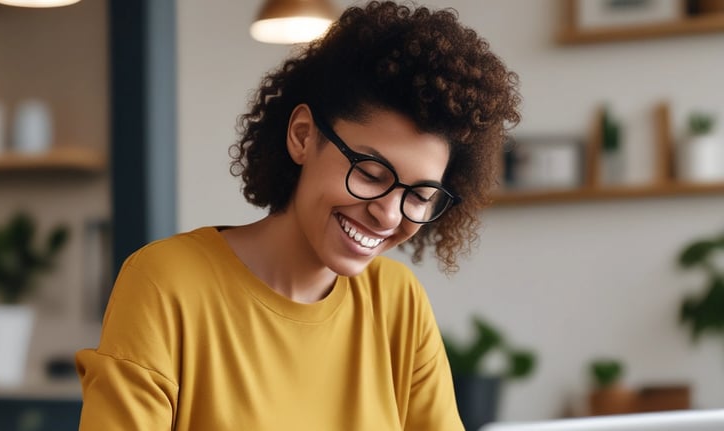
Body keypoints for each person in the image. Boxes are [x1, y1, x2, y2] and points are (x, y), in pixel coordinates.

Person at [75, 1, 520, 430]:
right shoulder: (167, 283)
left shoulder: (397, 302)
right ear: (303, 136)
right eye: (369, 172)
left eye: (420, 194)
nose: (387, 214)